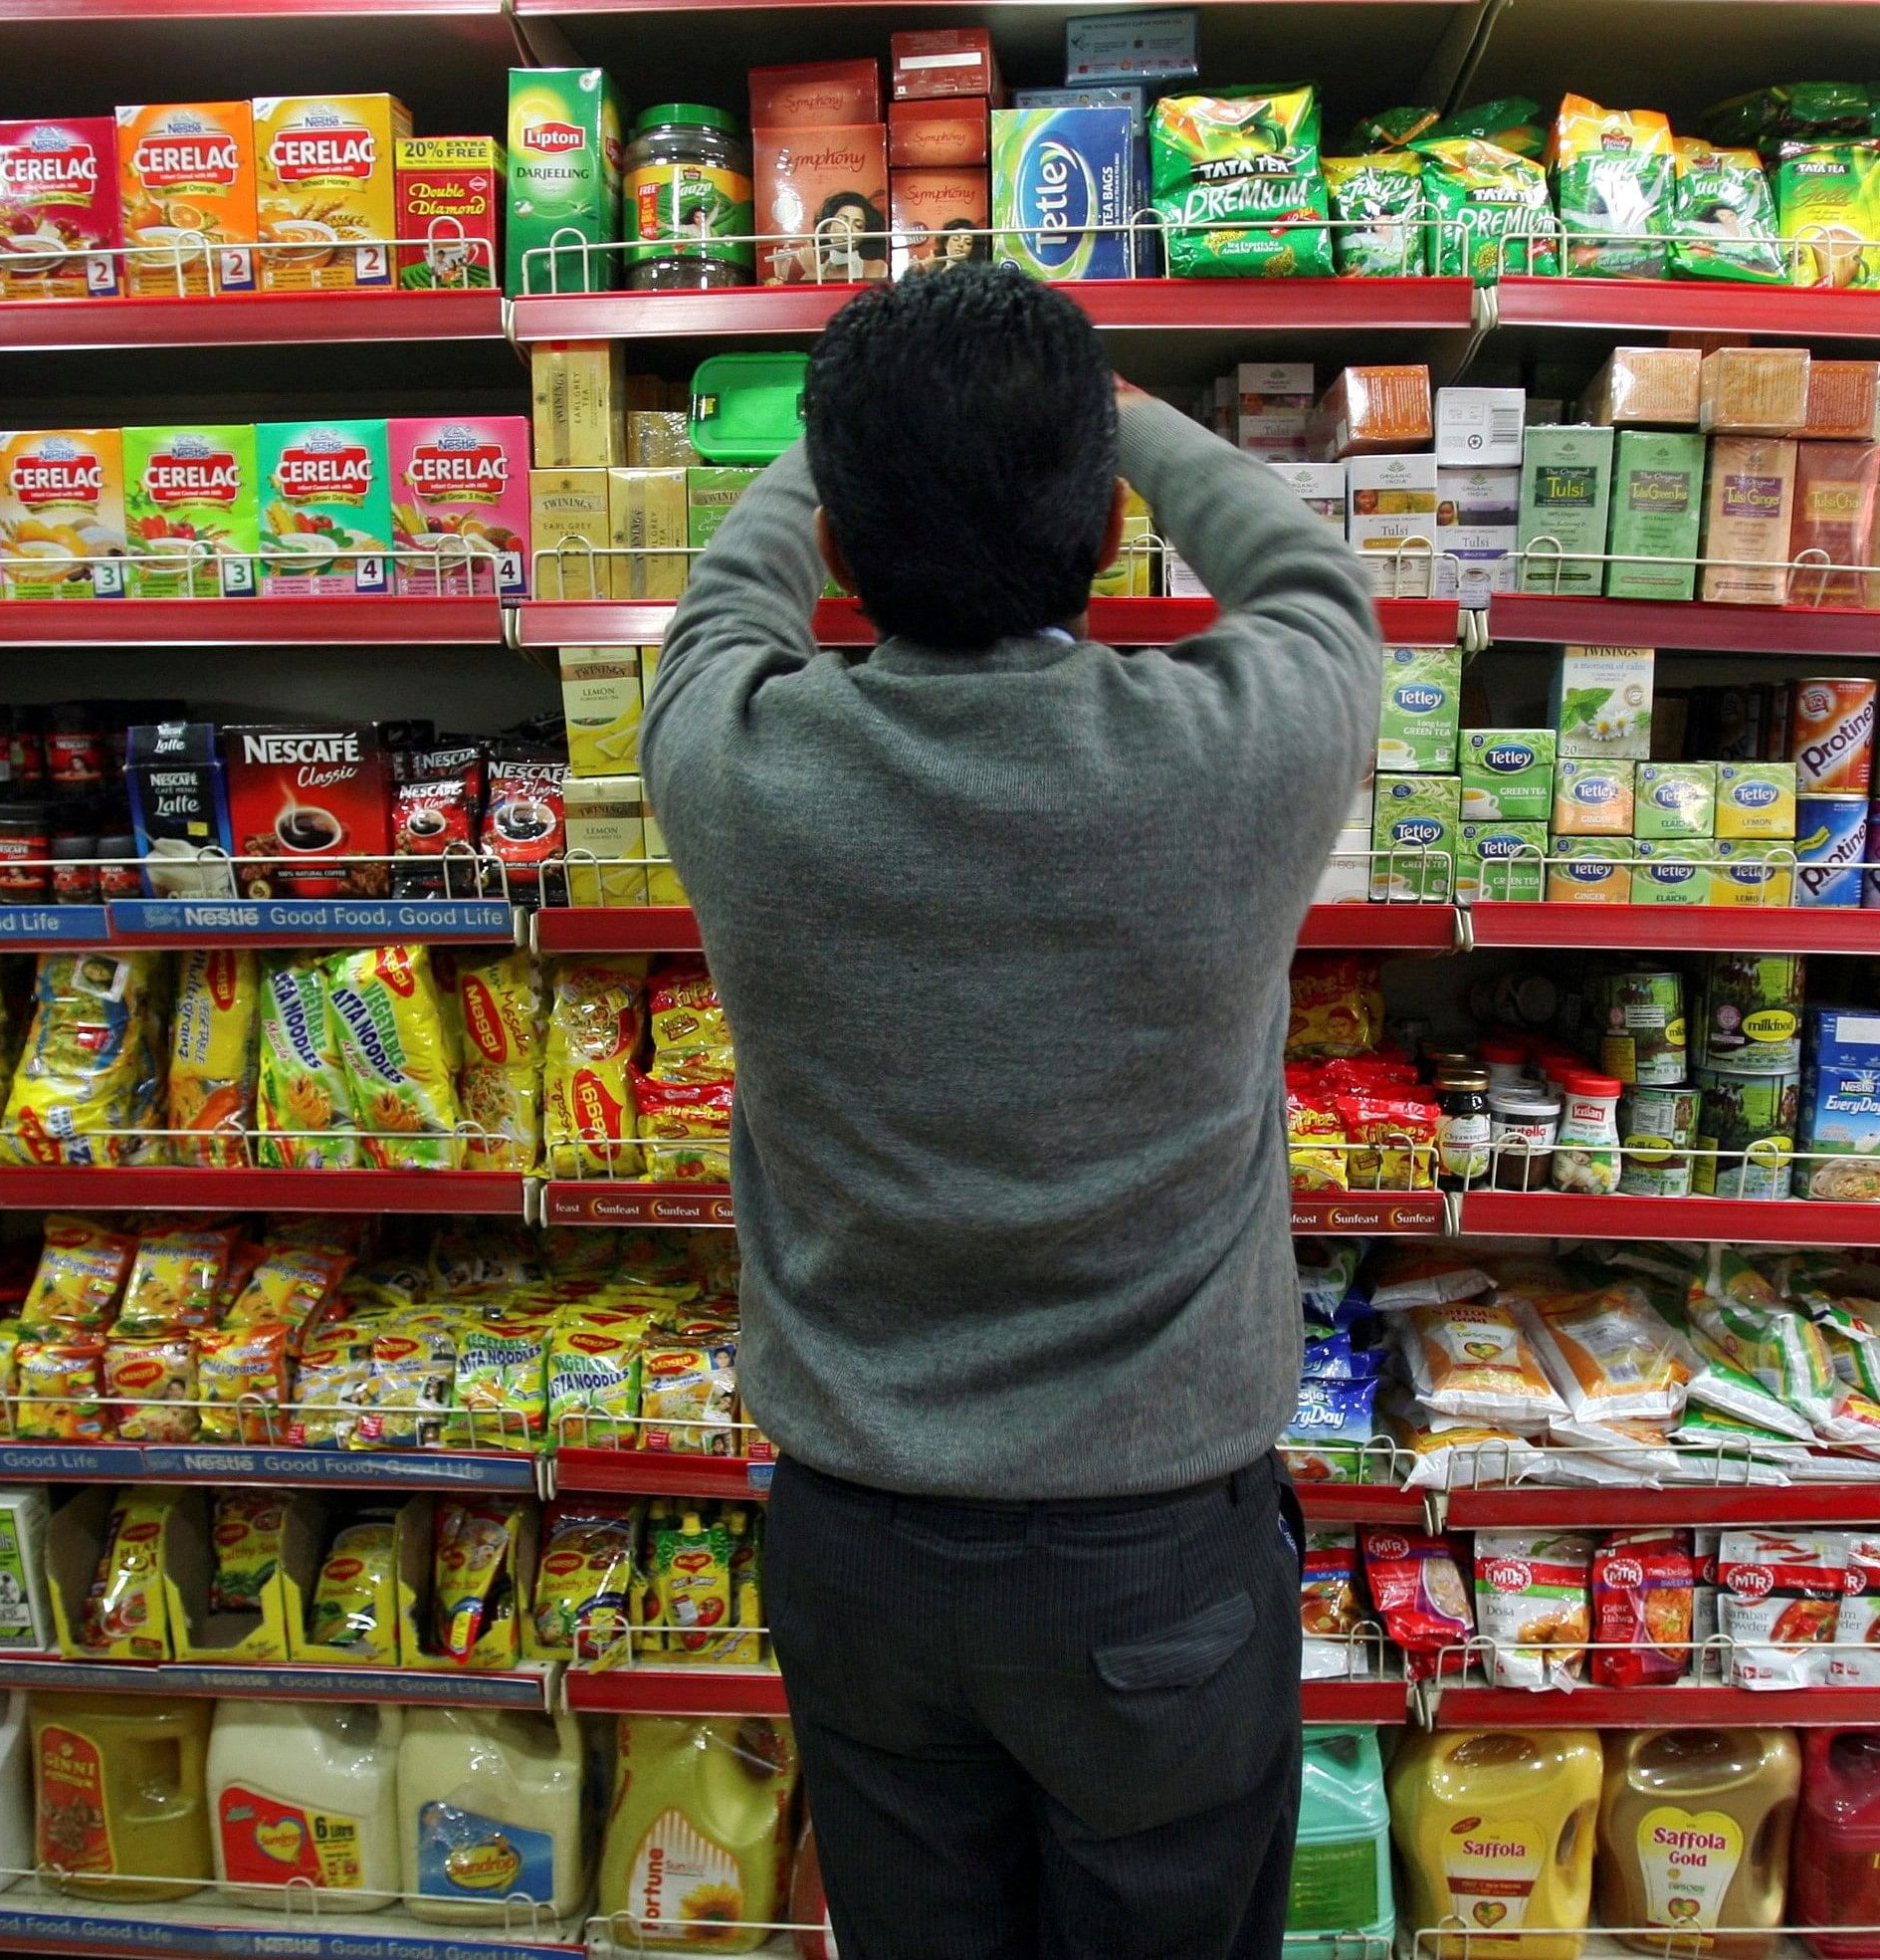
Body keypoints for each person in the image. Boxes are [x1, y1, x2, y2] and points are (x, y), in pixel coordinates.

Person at [640, 262, 1380, 1959]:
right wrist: (1113, 415)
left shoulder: (735, 760)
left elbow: (720, 593)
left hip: (860, 1547)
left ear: (837, 544)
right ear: (1114, 531)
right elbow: (1312, 570)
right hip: (1155, 1566)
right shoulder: (1241, 746)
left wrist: (850, 447)